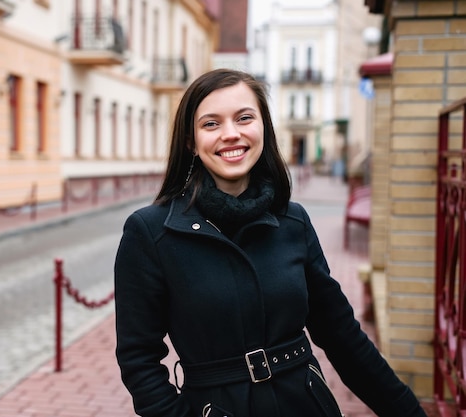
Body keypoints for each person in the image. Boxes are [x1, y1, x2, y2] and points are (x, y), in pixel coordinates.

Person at [113, 68, 427, 417]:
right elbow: (138, 357)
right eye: (211, 124)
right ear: (191, 141)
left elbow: (343, 337)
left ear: (263, 127)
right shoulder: (151, 232)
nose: (230, 134)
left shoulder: (292, 221)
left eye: (244, 118)